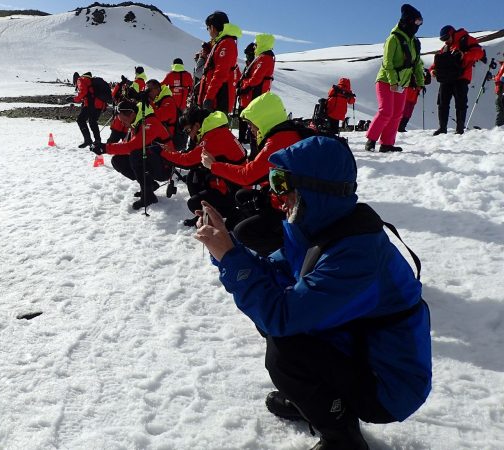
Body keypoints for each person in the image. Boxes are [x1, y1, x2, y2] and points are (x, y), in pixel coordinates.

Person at [194, 136, 432, 450]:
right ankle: (318, 398)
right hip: (357, 347)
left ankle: (342, 438)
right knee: (277, 322)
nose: (277, 194)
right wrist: (228, 248)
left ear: (316, 189)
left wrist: (230, 258)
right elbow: (275, 275)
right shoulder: (317, 227)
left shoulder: (355, 255)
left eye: (282, 183)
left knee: (285, 345)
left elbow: (281, 315)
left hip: (387, 385)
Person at [202, 92, 307, 256]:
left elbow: (248, 175)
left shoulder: (278, 141)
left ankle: (282, 254)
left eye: (252, 124)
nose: (250, 129)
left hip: (297, 210)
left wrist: (213, 166)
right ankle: (273, 235)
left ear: (263, 120)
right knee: (244, 196)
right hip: (292, 199)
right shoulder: (288, 133)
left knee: (243, 232)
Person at [160, 108, 245, 226]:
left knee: (193, 203)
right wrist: (171, 152)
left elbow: (188, 161)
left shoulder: (213, 137)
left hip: (234, 190)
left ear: (197, 125)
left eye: (188, 130)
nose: (189, 134)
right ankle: (204, 214)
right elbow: (191, 154)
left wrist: (163, 154)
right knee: (194, 175)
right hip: (230, 181)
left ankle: (231, 213)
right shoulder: (214, 130)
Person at [91, 100, 172, 210]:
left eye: (123, 120)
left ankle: (148, 196)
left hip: (165, 167)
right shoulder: (137, 123)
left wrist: (105, 148)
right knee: (117, 160)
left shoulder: (150, 123)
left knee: (135, 155)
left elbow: (132, 146)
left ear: (132, 114)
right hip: (154, 161)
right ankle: (149, 186)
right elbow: (126, 145)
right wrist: (105, 148)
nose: (123, 124)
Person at [364, 4, 424, 153]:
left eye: (420, 23)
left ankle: (387, 144)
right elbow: (387, 62)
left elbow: (417, 64)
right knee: (386, 112)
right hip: (386, 81)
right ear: (408, 21)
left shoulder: (414, 42)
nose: (418, 26)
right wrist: (392, 81)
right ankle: (371, 140)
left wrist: (420, 82)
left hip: (402, 83)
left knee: (397, 114)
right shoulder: (393, 38)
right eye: (417, 22)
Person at [430, 25, 486, 135]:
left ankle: (459, 129)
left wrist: (464, 55)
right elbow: (438, 62)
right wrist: (432, 70)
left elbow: (479, 53)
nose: (445, 41)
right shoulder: (446, 47)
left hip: (461, 77)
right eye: (443, 39)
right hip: (446, 78)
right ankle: (442, 128)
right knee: (442, 103)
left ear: (452, 33)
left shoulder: (466, 40)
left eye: (446, 38)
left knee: (460, 103)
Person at [237, 34, 276, 158]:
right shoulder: (263, 57)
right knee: (252, 127)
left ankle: (255, 156)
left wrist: (243, 88)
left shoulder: (265, 58)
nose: (254, 47)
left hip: (256, 96)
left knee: (255, 128)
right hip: (254, 96)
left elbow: (256, 78)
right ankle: (255, 154)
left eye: (256, 44)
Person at [198, 11, 241, 114]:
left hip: (218, 100)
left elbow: (220, 73)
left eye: (208, 28)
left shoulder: (226, 44)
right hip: (215, 98)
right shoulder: (222, 42)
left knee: (217, 129)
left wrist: (209, 97)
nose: (208, 31)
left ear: (212, 27)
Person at [68, 72, 106, 148]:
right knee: (92, 122)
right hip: (99, 105)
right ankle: (97, 141)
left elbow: (83, 92)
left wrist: (73, 99)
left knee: (80, 120)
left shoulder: (80, 79)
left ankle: (88, 140)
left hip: (91, 104)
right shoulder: (90, 81)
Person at [146, 79, 185, 151]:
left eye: (149, 90)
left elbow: (159, 117)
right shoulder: (158, 100)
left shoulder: (168, 101)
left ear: (157, 88)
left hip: (169, 142)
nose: (148, 93)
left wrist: (149, 102)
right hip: (160, 140)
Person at [237, 42, 258, 144]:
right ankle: (242, 138)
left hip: (250, 98)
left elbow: (252, 80)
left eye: (248, 54)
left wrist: (242, 89)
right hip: (243, 98)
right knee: (242, 119)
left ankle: (249, 138)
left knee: (248, 120)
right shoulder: (249, 66)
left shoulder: (254, 65)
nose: (247, 57)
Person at [495, 62, 504, 127]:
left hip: (501, 89)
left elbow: (500, 78)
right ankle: (499, 128)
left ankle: (498, 128)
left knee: (500, 108)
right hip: (500, 89)